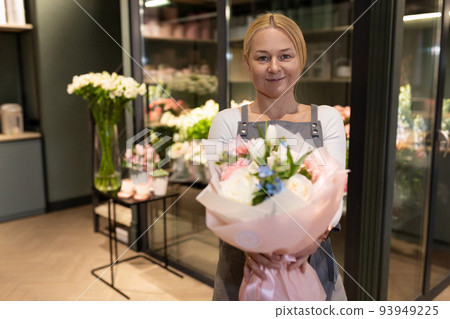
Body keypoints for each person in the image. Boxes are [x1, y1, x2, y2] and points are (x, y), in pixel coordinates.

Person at [208, 13, 347, 301]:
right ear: (247, 62)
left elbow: (333, 201)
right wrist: (252, 244)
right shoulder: (224, 121)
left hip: (312, 266)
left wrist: (304, 243)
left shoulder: (328, 120)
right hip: (243, 269)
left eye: (285, 56)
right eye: (262, 58)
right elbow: (216, 200)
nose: (274, 68)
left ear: (301, 59)